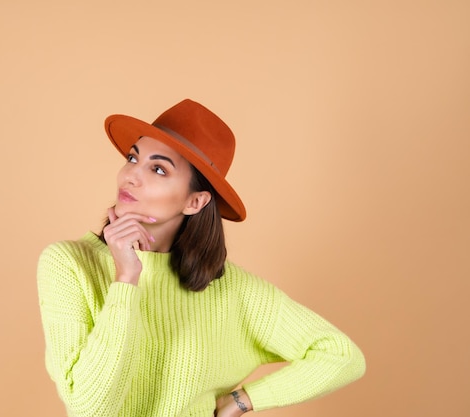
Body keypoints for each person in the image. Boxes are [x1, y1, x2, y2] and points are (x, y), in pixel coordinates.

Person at [36, 99, 366, 417]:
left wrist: (243, 399)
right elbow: (90, 408)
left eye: (159, 169)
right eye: (133, 159)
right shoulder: (69, 265)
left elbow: (341, 355)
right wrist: (126, 279)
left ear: (195, 202)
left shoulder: (232, 289)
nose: (131, 176)